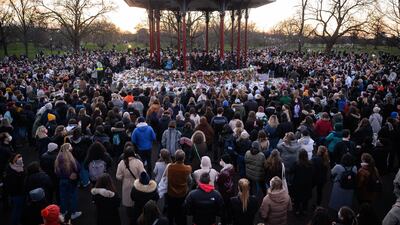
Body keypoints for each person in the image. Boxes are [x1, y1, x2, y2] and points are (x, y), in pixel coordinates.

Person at [116, 146, 145, 224]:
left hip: (126, 185)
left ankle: (130, 219)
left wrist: (124, 178)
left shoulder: (122, 163)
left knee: (128, 203)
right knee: (138, 202)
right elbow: (143, 174)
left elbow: (118, 176)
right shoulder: (138, 162)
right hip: (137, 184)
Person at [54, 143, 82, 219]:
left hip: (62, 180)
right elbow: (78, 168)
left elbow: (56, 171)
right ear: (69, 149)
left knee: (63, 196)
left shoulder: (58, 158)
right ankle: (73, 213)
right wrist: (72, 174)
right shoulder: (71, 158)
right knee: (73, 196)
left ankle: (63, 212)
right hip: (71, 181)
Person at [166, 150, 192, 225]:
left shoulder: (170, 167)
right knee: (181, 212)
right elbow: (190, 181)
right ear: (184, 158)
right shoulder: (187, 169)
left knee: (170, 211)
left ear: (175, 158)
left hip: (171, 193)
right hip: (182, 194)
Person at [4, 153, 26, 225]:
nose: (21, 159)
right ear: (14, 160)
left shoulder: (13, 167)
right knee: (17, 210)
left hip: (16, 193)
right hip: (17, 193)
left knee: (18, 209)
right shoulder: (14, 172)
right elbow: (15, 184)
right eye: (18, 157)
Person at [291, 149, 313, 216]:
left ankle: (297, 210)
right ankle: (304, 210)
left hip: (297, 183)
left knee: (297, 198)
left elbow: (291, 171)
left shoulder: (296, 163)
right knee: (305, 198)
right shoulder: (310, 164)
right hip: (307, 184)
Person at [215, 154, 235, 225]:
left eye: (221, 160)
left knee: (223, 207)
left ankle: (223, 222)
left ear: (224, 161)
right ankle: (230, 220)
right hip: (231, 189)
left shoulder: (224, 172)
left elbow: (218, 182)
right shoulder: (231, 167)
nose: (220, 161)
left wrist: (217, 176)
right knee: (229, 206)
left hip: (224, 191)